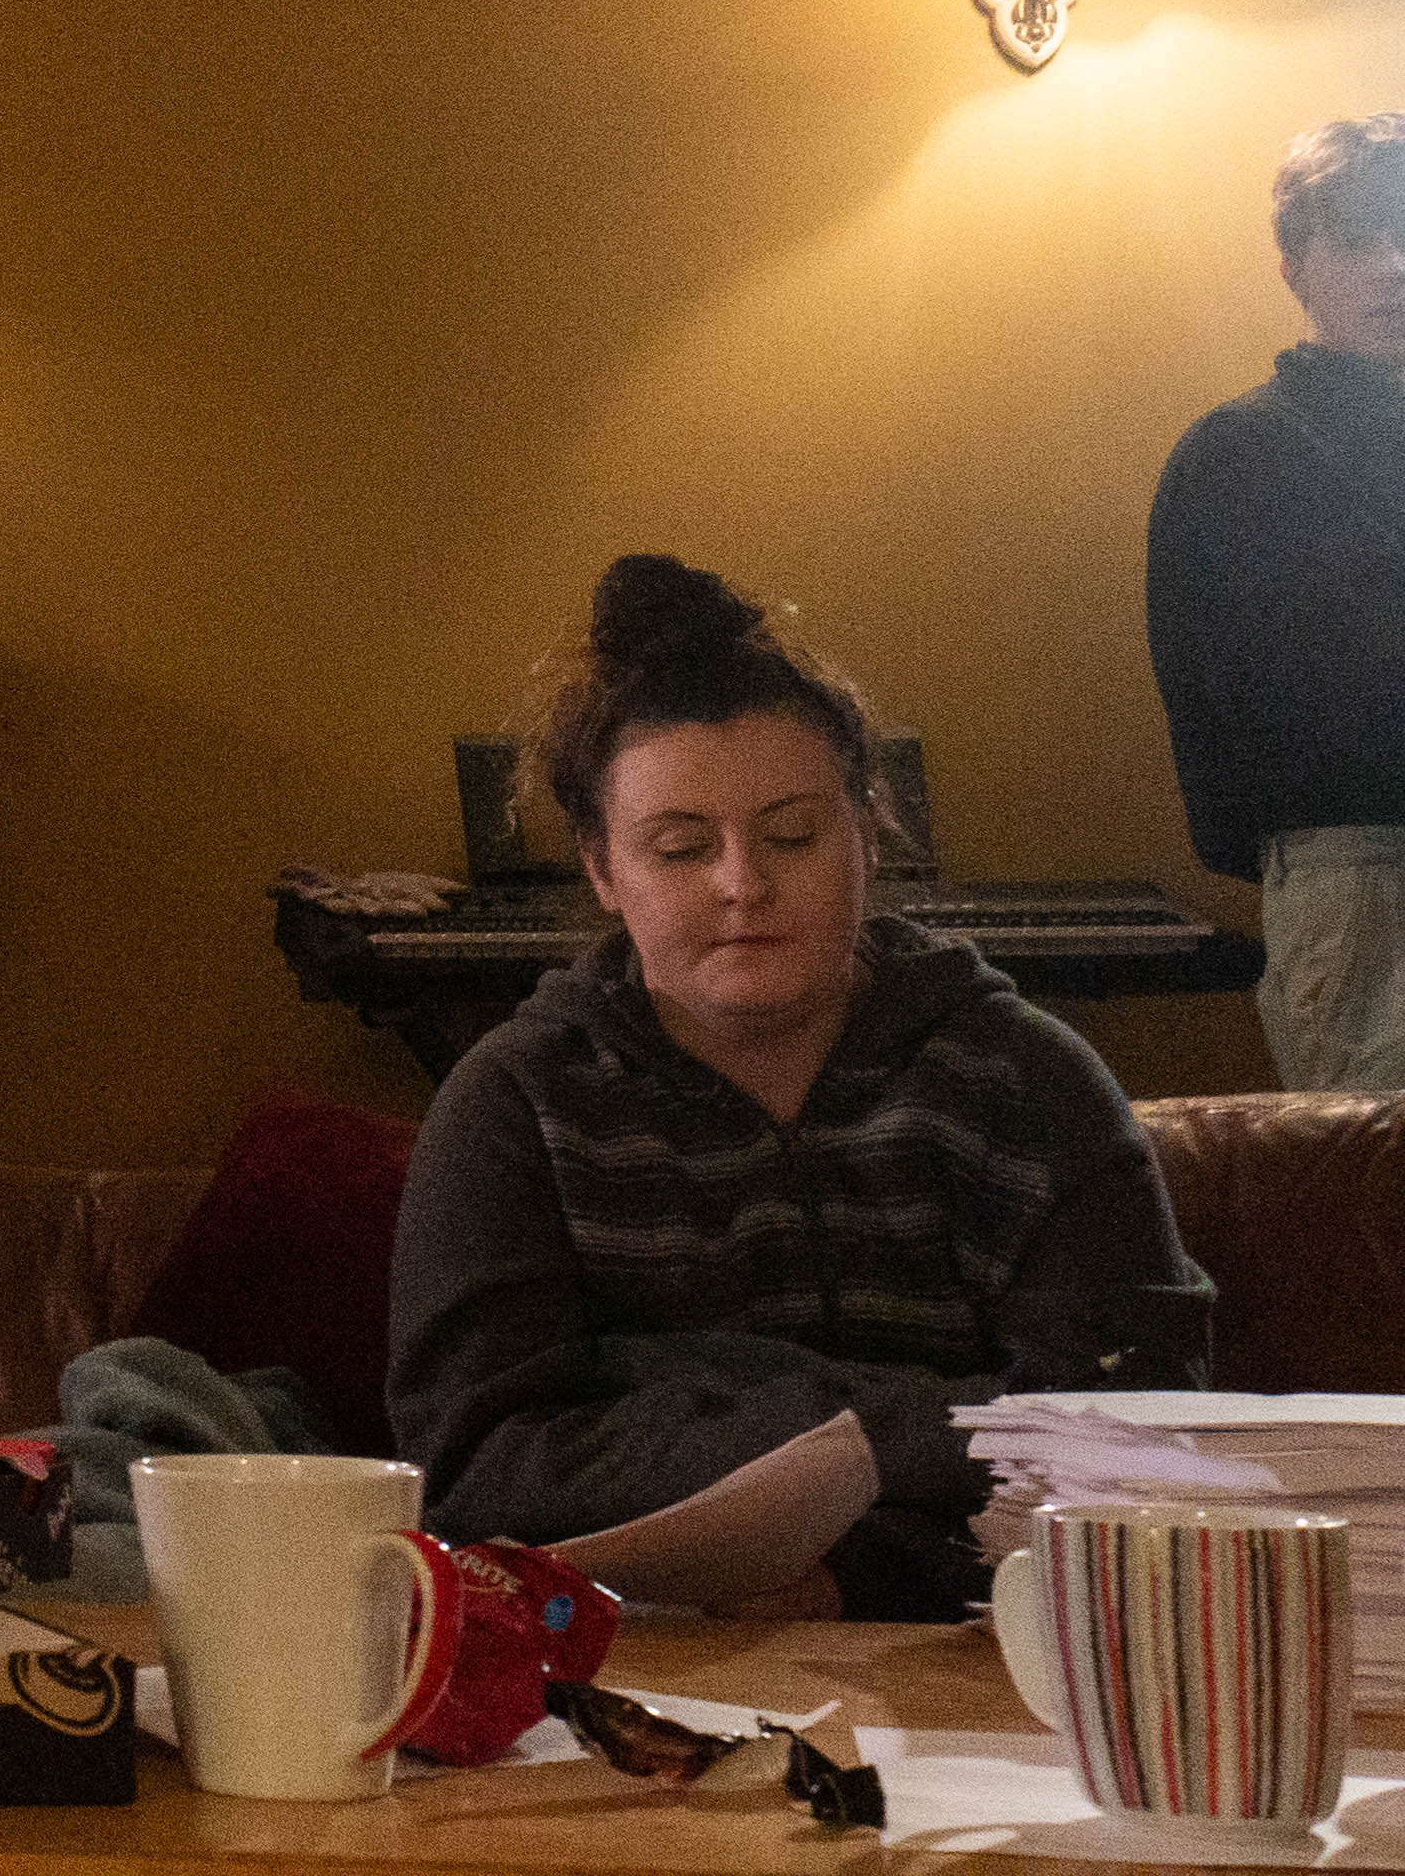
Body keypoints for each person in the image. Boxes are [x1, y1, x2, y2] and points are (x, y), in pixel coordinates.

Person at [388, 553, 1210, 1621]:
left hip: (982, 1642)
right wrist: (916, 1421)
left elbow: (1138, 1438)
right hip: (637, 1658)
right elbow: (477, 1473)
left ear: (866, 833)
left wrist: (850, 1568)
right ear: (599, 869)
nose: (743, 883)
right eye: (680, 848)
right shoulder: (512, 1104)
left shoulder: (1027, 1081)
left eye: (791, 835)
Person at [1146, 114, 1405, 1091]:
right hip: (1357, 864)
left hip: (1345, 863)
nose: (1394, 267)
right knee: (1376, 1177)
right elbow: (1217, 701)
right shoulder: (1242, 454)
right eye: (1359, 241)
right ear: (1295, 268)